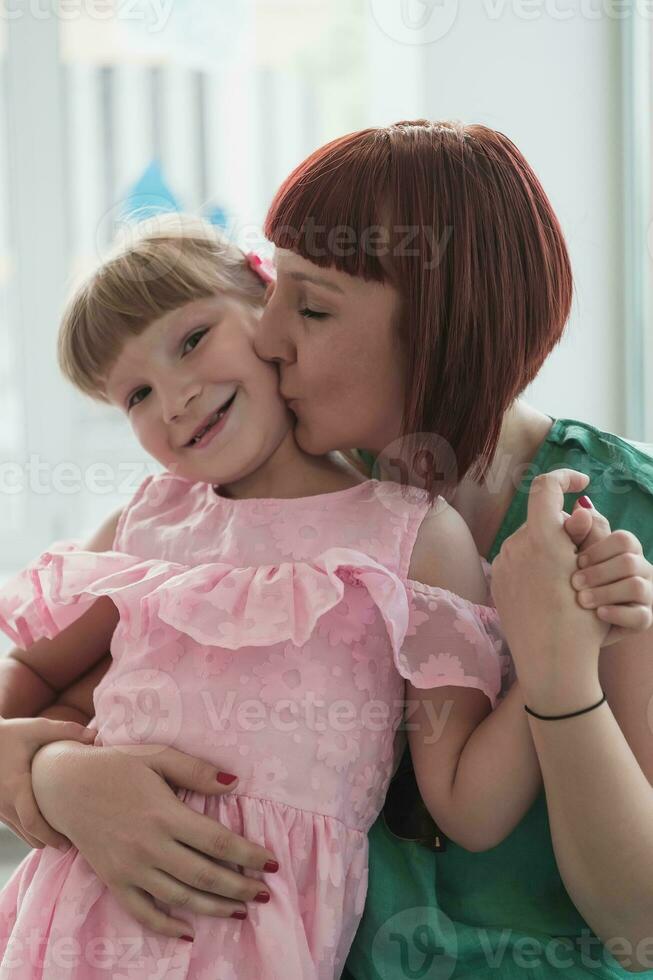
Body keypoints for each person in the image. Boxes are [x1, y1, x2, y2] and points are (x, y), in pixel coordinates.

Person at [12, 121, 653, 978]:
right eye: (273, 291)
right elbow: (60, 692)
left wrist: (558, 665)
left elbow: (636, 918)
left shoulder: (607, 524)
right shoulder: (245, 510)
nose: (270, 338)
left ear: (439, 326)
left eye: (308, 308)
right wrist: (56, 774)